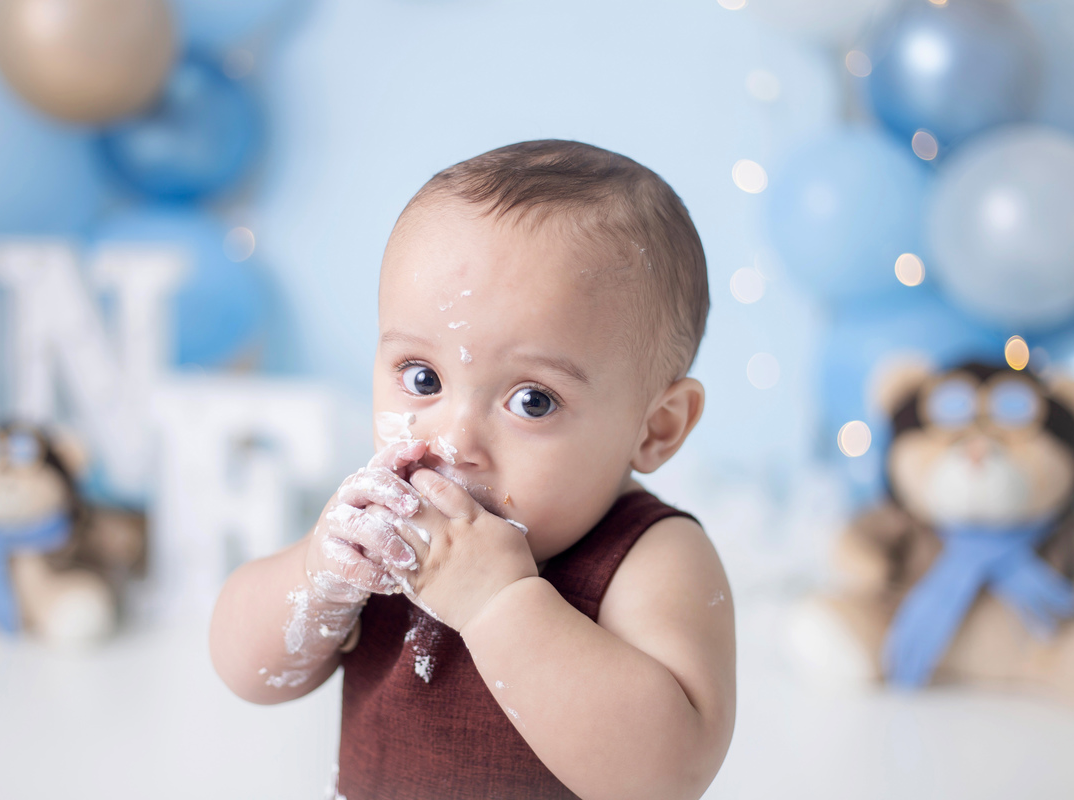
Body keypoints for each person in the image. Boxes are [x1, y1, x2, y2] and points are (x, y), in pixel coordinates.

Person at [210, 140, 735, 799]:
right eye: (423, 378)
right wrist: (318, 577)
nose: (454, 440)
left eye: (532, 400)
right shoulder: (384, 528)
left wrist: (498, 605)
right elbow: (245, 670)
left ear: (656, 427)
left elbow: (667, 772)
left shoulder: (651, 556)